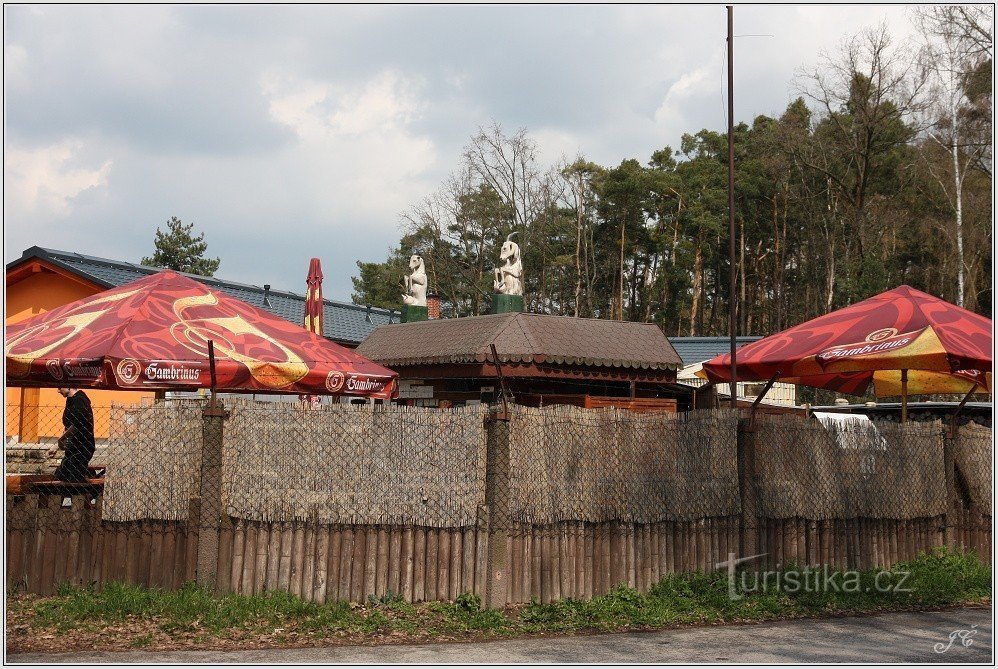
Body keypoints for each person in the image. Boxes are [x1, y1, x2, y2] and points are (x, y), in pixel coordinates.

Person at [47, 388, 96, 482]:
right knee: (60, 477)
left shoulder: (80, 400)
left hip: (83, 447)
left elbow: (77, 425)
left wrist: (60, 440)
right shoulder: (70, 400)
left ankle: (86, 495)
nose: (58, 391)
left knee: (74, 480)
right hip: (72, 448)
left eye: (60, 387)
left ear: (68, 386)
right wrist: (56, 446)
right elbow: (68, 426)